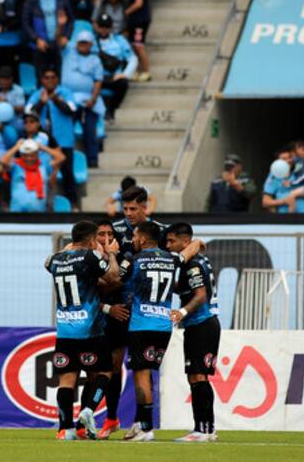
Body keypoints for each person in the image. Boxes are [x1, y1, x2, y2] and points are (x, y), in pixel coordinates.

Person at [93, 184, 166, 438]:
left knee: (144, 367)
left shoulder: (160, 232)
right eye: (125, 208)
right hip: (119, 309)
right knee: (114, 363)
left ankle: (141, 422)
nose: (128, 214)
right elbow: (101, 262)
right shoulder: (115, 230)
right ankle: (111, 418)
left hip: (146, 311)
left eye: (133, 209)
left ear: (145, 207)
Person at [121, 221, 203, 442]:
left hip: (141, 325)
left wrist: (111, 255)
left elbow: (115, 277)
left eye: (135, 236)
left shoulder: (135, 259)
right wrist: (197, 242)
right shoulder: (170, 258)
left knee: (141, 374)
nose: (133, 240)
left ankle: (146, 427)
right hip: (163, 326)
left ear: (143, 239)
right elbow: (188, 251)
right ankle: (141, 424)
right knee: (148, 373)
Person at [46, 220, 120, 440]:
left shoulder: (56, 259)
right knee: (105, 372)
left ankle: (65, 429)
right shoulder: (90, 257)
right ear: (90, 240)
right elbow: (112, 276)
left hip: (65, 331)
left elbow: (49, 262)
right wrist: (112, 254)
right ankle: (88, 410)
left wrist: (68, 247)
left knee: (66, 381)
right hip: (90, 330)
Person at [165, 222, 221, 443]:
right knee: (197, 376)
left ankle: (202, 430)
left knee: (198, 376)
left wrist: (182, 311)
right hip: (202, 324)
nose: (169, 245)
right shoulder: (196, 261)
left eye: (172, 241)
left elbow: (200, 295)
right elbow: (185, 288)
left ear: (185, 241)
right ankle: (208, 429)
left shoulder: (193, 264)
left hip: (202, 323)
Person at [25, 68, 77, 207]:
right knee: (42, 173)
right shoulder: (37, 95)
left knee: (67, 173)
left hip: (64, 140)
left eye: (53, 77)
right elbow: (28, 113)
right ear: (42, 80)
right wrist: (41, 102)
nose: (50, 80)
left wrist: (55, 100)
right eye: (46, 77)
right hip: (43, 142)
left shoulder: (65, 93)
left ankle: (73, 204)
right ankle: (41, 205)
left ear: (57, 79)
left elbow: (72, 110)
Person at [61, 31, 104, 168]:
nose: (83, 45)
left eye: (86, 43)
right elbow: (58, 41)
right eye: (80, 43)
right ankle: (64, 161)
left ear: (91, 44)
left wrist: (93, 99)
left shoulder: (95, 60)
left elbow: (98, 80)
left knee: (90, 130)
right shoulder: (68, 52)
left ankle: (92, 161)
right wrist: (61, 26)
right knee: (65, 131)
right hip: (68, 99)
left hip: (87, 100)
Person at [22, 0, 74, 75]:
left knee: (59, 75)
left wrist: (66, 37)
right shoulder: (32, 0)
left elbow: (70, 19)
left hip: (58, 44)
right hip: (40, 45)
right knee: (41, 76)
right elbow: (25, 22)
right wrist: (36, 39)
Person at [92, 13, 137, 123]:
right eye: (101, 26)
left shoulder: (119, 40)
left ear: (111, 27)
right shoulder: (91, 40)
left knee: (123, 84)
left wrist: (125, 74)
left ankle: (111, 111)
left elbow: (132, 58)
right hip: (96, 77)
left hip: (113, 77)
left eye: (107, 26)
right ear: (97, 26)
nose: (104, 29)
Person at [0, 137, 64, 212]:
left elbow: (61, 157)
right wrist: (16, 147)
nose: (29, 158)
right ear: (21, 155)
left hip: (38, 211)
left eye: (32, 155)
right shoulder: (16, 165)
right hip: (17, 211)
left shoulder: (43, 166)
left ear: (37, 154)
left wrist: (42, 147)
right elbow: (3, 160)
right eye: (26, 155)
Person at [119, 0, 151, 82]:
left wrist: (127, 11)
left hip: (140, 23)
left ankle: (146, 72)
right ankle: (136, 71)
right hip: (134, 23)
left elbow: (139, 3)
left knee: (139, 46)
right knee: (134, 46)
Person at [262, 148, 304, 213]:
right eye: (283, 159)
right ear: (277, 162)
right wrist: (284, 201)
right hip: (284, 216)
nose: (288, 161)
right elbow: (265, 202)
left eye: (290, 157)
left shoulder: (301, 171)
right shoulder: (274, 176)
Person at [0, 66, 25, 132]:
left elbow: (21, 109)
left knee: (17, 130)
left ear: (11, 79)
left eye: (6, 79)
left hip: (13, 120)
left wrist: (6, 105)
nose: (4, 81)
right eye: (1, 78)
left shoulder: (19, 90)